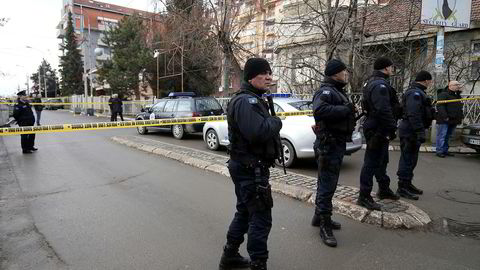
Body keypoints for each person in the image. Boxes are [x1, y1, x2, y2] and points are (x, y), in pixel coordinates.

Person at [219, 58, 282, 270]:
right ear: (251, 76)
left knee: (245, 212)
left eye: (269, 72)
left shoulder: (253, 98)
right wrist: (276, 121)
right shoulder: (247, 101)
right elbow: (257, 133)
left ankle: (229, 256)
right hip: (250, 169)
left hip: (248, 166)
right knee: (261, 218)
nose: (268, 77)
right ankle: (258, 264)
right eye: (263, 73)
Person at [310, 59, 355, 248]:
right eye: (344, 71)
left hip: (335, 144)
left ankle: (317, 217)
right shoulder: (326, 91)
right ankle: (324, 226)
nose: (346, 74)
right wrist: (345, 109)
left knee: (325, 183)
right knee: (327, 186)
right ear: (335, 73)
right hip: (328, 145)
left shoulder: (337, 91)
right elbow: (319, 110)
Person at [358, 57, 400, 211]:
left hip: (377, 127)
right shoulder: (379, 85)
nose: (392, 70)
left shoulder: (373, 81)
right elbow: (383, 109)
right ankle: (364, 196)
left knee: (382, 161)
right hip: (378, 128)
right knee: (371, 162)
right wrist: (392, 127)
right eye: (391, 67)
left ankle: (384, 188)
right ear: (386, 68)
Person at [396, 71, 434, 200]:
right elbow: (413, 114)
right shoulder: (415, 93)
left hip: (412, 130)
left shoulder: (417, 91)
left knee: (412, 160)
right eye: (430, 80)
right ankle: (402, 187)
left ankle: (407, 184)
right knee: (407, 160)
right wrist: (419, 131)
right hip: (410, 131)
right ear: (425, 80)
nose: (430, 83)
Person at [435, 81, 464, 158]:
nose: (458, 86)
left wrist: (460, 117)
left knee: (448, 136)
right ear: (450, 86)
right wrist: (445, 116)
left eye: (458, 85)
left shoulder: (457, 96)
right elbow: (440, 106)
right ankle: (439, 151)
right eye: (456, 85)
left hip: (454, 119)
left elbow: (459, 107)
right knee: (442, 135)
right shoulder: (443, 94)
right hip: (444, 119)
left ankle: (445, 150)